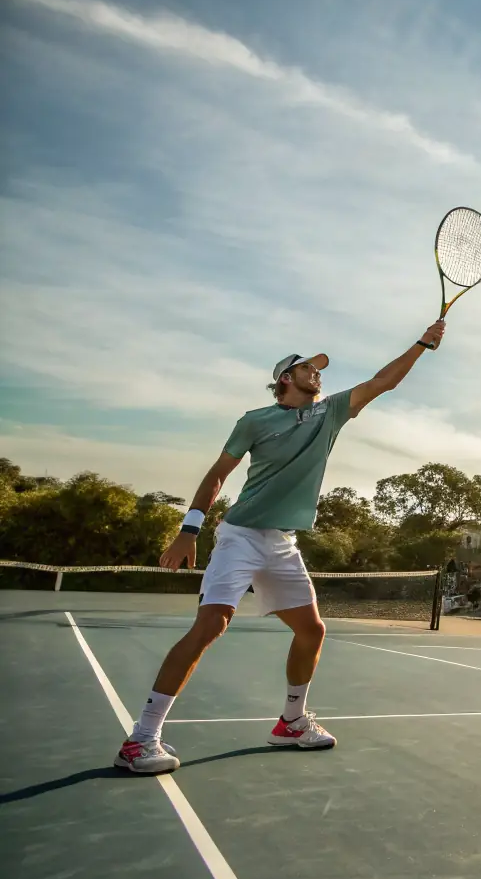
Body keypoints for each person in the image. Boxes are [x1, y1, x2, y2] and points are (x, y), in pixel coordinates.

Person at [116, 321, 446, 774]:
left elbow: (380, 382)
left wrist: (423, 344)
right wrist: (189, 530)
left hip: (283, 543)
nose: (318, 374)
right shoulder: (254, 421)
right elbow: (217, 475)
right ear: (285, 379)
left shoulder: (330, 413)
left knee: (312, 631)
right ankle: (141, 739)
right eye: (309, 368)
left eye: (319, 369)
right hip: (240, 535)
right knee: (210, 627)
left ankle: (290, 722)